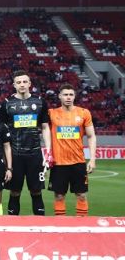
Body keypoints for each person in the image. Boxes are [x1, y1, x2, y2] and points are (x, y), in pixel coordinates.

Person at [0, 70, 51, 216]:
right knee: (15, 191)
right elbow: (2, 130)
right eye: (19, 82)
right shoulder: (6, 104)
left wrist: (48, 151)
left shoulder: (40, 102)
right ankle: (12, 226)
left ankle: (40, 225)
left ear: (29, 83)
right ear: (14, 85)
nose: (22, 84)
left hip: (35, 154)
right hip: (15, 155)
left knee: (36, 191)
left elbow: (45, 127)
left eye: (24, 82)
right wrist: (4, 157)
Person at [47, 84, 96, 217]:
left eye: (71, 95)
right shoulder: (51, 113)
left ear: (74, 96)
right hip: (58, 163)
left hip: (78, 162)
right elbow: (44, 130)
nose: (68, 97)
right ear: (60, 96)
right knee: (59, 196)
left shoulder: (84, 113)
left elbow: (91, 136)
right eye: (65, 95)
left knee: (81, 195)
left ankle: (81, 227)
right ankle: (61, 227)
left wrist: (92, 159)